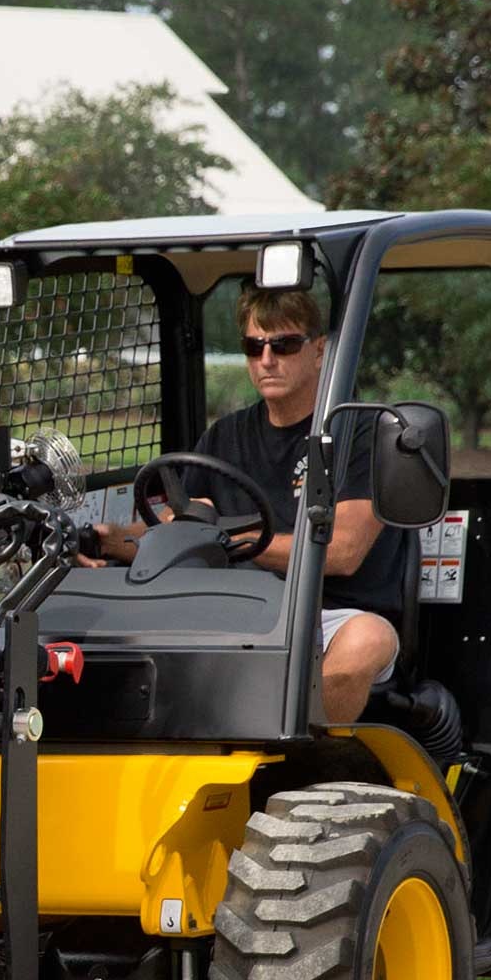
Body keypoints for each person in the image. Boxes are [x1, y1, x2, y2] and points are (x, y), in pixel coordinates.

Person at [79, 285, 411, 724]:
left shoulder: (361, 433)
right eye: (254, 347)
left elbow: (343, 552)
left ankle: (312, 765)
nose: (267, 360)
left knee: (364, 642)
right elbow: (177, 527)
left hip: (334, 612)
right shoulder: (225, 436)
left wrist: (235, 539)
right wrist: (104, 540)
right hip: (239, 603)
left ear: (318, 350)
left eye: (284, 345)